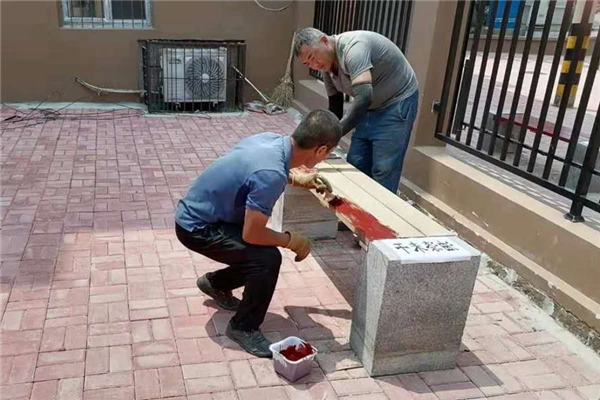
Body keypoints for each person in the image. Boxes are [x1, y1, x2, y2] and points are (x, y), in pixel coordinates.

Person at [174, 109, 341, 358]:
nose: (326, 158)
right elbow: (252, 234)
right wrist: (291, 240)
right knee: (266, 259)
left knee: (257, 254)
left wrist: (295, 179)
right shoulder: (271, 174)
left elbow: (257, 173)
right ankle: (243, 327)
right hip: (197, 228)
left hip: (201, 212)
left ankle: (215, 284)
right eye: (329, 153)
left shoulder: (270, 140)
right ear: (320, 150)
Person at [293, 28, 419, 194]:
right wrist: (322, 140)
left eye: (313, 57)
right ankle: (356, 208)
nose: (314, 64)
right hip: (369, 106)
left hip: (396, 103)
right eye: (308, 63)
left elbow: (364, 97)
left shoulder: (354, 49)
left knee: (384, 168)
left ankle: (380, 208)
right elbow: (335, 107)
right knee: (357, 162)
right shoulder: (327, 68)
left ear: (324, 41)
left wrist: (332, 138)